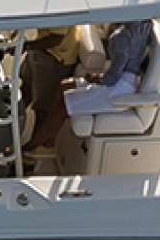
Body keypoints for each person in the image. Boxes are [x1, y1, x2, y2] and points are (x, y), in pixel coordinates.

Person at [24, 17, 152, 155]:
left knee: (63, 104)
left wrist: (93, 78)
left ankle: (29, 147)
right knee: (64, 86)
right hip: (120, 81)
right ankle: (50, 143)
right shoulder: (142, 27)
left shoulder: (126, 39)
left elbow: (112, 78)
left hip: (118, 90)